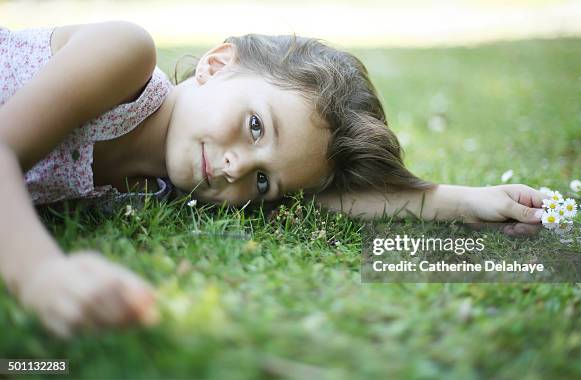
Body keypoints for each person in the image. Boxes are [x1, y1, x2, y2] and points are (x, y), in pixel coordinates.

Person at [0, 21, 545, 337]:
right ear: (217, 64)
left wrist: (462, 201)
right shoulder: (124, 56)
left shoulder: (174, 188)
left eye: (262, 183)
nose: (238, 169)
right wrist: (41, 275)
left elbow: (331, 201)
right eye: (255, 126)